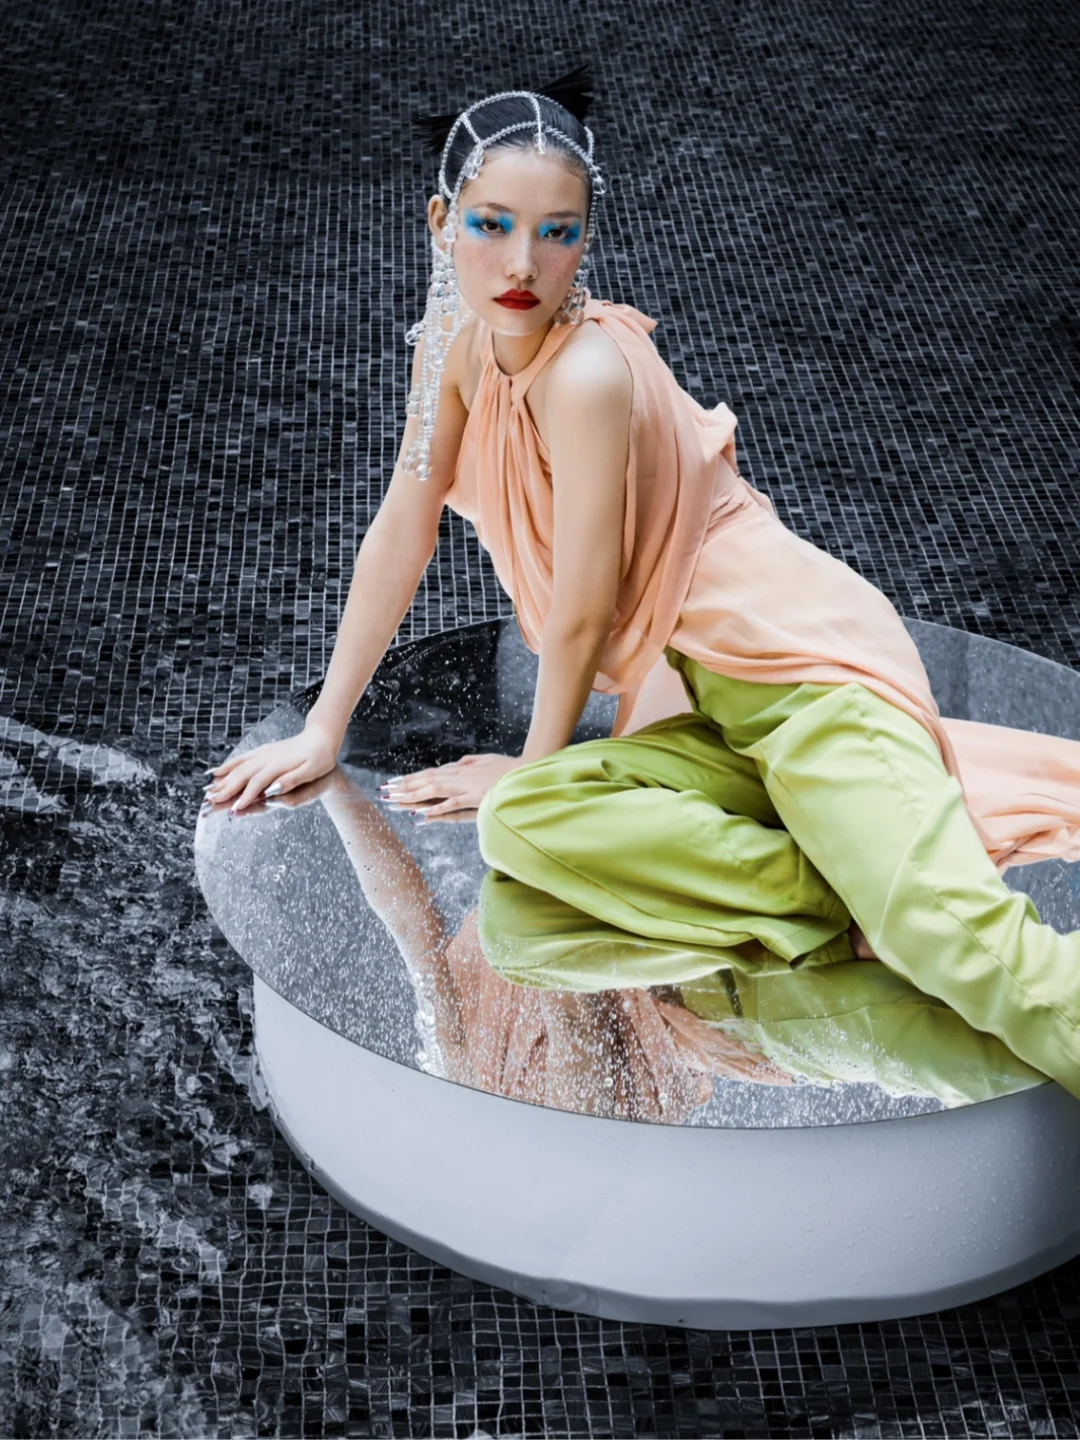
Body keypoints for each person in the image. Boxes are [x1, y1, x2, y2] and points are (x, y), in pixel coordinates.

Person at [204, 65, 1080, 1100]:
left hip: (799, 674)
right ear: (442, 222)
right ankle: (837, 881)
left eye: (557, 233)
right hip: (707, 711)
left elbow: (582, 612)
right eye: (491, 225)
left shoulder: (585, 374)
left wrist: (531, 771)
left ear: (586, 237)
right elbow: (404, 524)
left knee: (939, 931)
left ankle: (865, 891)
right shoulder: (453, 347)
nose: (523, 263)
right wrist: (326, 726)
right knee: (524, 889)